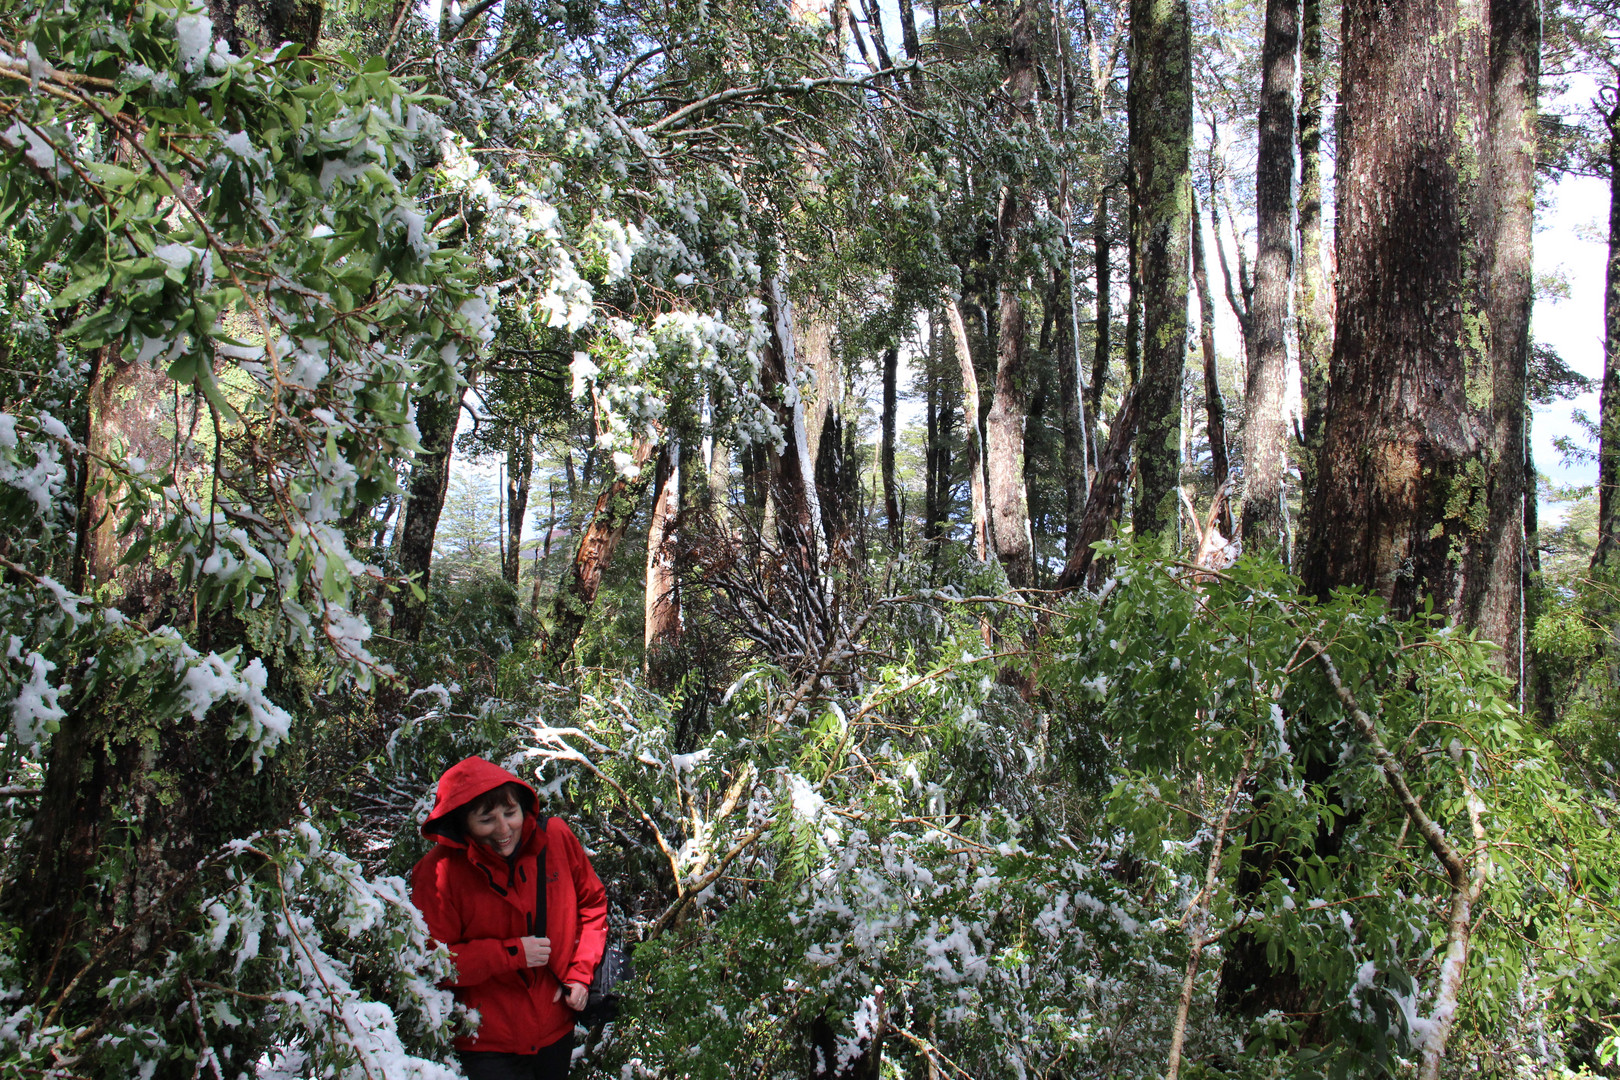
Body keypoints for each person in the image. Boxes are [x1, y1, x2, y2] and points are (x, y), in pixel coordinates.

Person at [411, 756, 607, 1079]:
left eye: (510, 813)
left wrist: (580, 973)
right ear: (463, 823)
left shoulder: (554, 838)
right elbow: (432, 961)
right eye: (486, 819)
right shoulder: (439, 872)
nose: (504, 830)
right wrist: (510, 954)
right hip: (486, 1043)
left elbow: (593, 904)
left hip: (554, 1032)